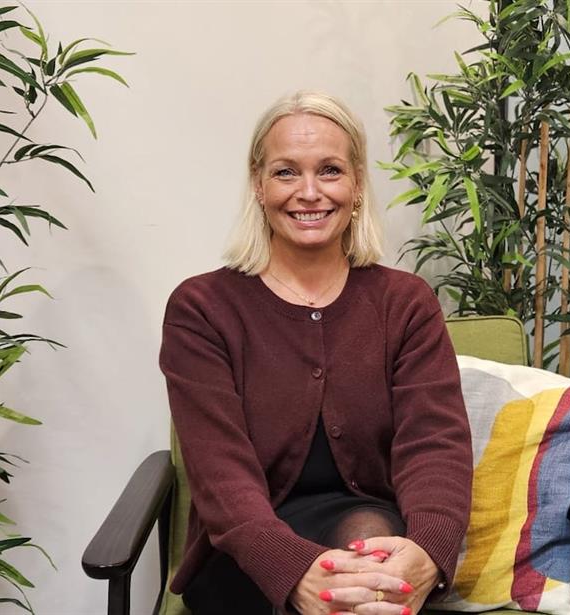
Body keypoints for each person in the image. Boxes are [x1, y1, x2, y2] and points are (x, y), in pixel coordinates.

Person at [159, 90, 472, 615]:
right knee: (356, 587)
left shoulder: (405, 303)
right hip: (244, 547)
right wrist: (293, 571)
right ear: (258, 185)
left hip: (371, 532)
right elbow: (219, 475)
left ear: (356, 184)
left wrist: (427, 552)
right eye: (286, 172)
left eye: (330, 170)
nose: (309, 193)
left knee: (366, 560)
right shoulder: (202, 308)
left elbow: (435, 445)